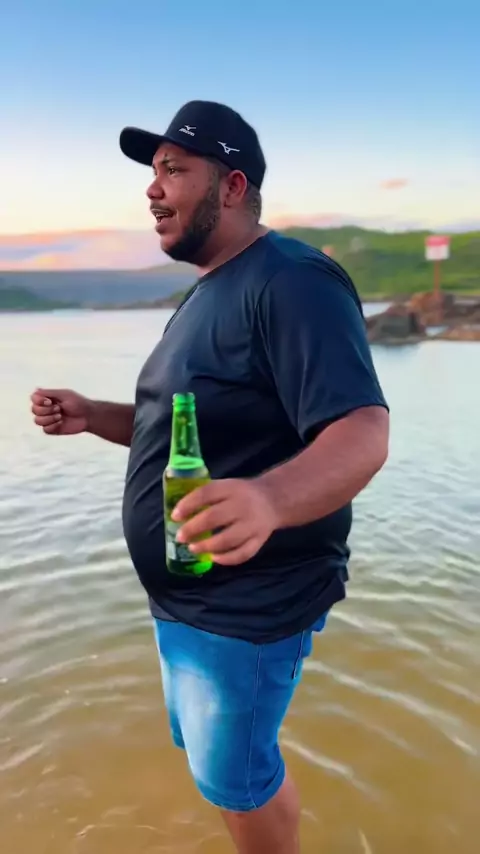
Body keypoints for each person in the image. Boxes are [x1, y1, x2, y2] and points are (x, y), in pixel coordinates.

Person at [30, 100, 389, 854]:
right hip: (187, 601)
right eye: (153, 172)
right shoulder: (208, 291)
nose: (152, 188)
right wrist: (96, 415)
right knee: (218, 770)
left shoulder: (292, 280)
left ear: (231, 186)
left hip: (247, 609)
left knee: (239, 779)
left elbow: (361, 429)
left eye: (173, 170)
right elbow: (184, 427)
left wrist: (269, 499)